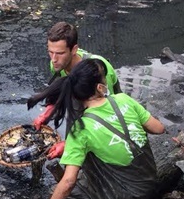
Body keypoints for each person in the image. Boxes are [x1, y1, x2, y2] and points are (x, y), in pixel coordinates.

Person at [25, 58, 165, 199]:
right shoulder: (123, 100)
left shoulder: (80, 129)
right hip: (148, 179)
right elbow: (158, 129)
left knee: (58, 194)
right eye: (105, 77)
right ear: (100, 88)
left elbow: (68, 183)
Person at [33, 21, 121, 160]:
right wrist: (47, 113)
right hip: (78, 108)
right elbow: (60, 91)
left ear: (74, 49)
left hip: (105, 115)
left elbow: (108, 116)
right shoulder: (57, 64)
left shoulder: (99, 70)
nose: (54, 59)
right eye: (50, 52)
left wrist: (69, 144)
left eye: (60, 53)